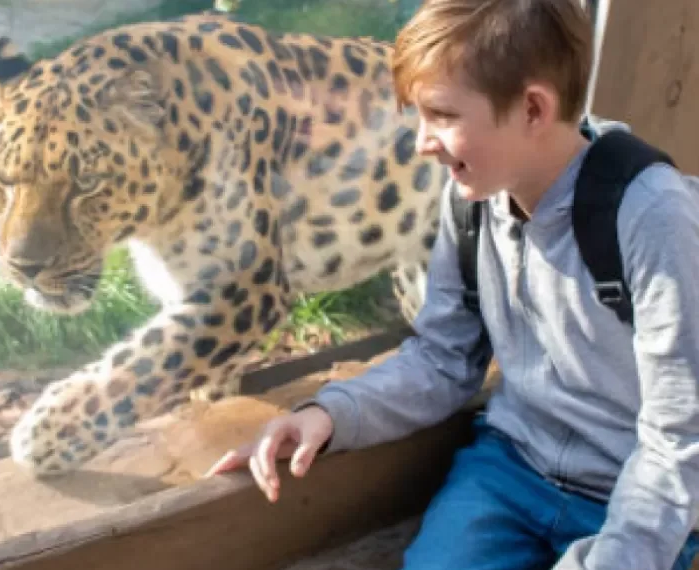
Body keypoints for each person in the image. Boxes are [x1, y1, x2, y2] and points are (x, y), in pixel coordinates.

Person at [205, 0, 699, 569]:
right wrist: (330, 413)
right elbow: (444, 359)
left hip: (631, 496)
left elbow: (677, 437)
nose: (421, 142)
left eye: (442, 115)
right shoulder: (473, 202)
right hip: (512, 471)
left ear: (533, 108)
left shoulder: (652, 217)